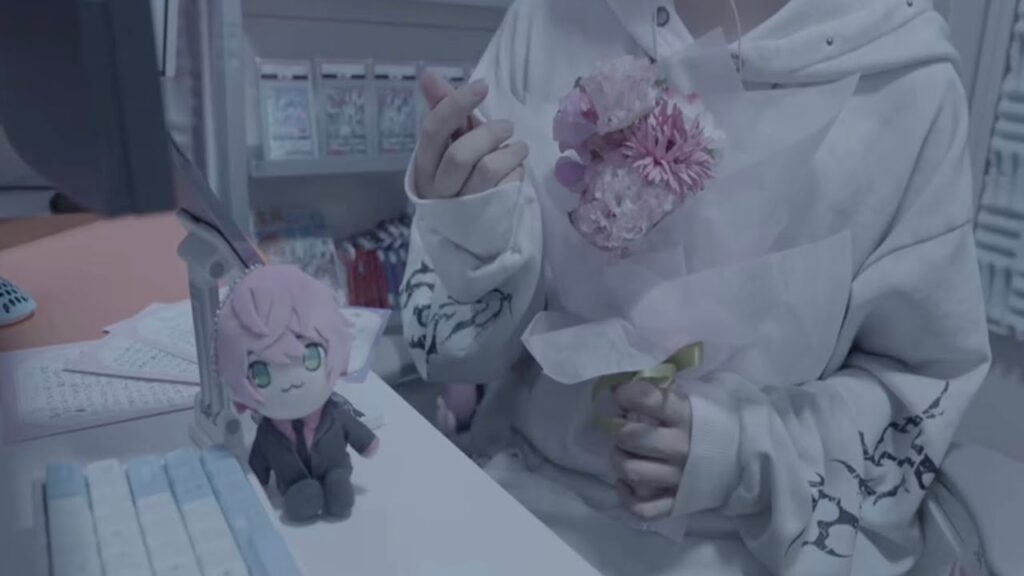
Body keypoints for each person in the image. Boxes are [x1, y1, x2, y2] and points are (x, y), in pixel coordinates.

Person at [400, 0, 991, 574]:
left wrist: (741, 447)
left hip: (752, 545)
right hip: (525, 510)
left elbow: (917, 393)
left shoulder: (907, 83)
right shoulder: (549, 18)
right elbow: (452, 350)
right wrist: (470, 237)